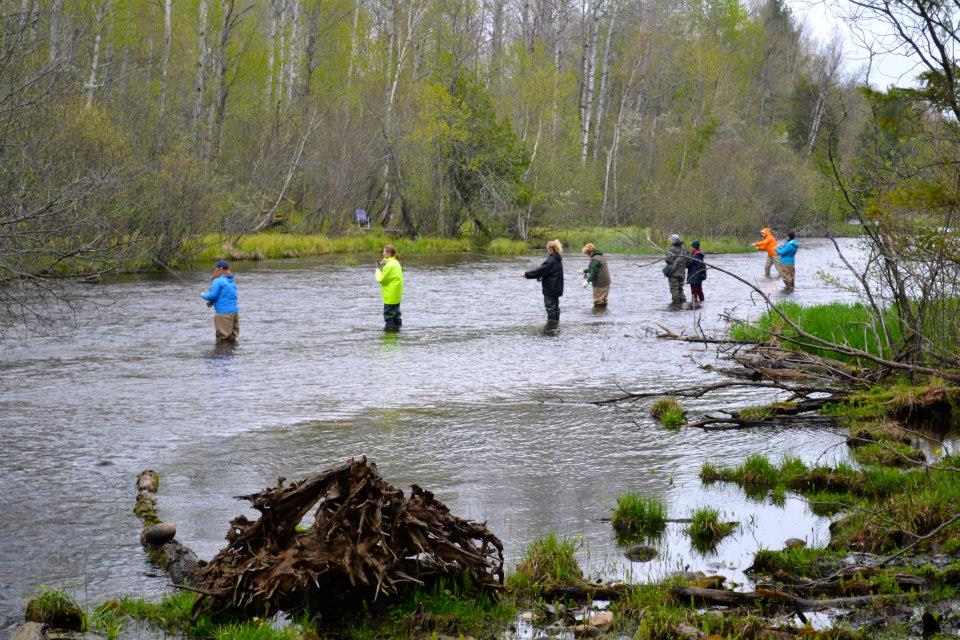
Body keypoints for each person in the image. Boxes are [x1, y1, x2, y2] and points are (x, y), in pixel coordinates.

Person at [523, 239, 564, 324]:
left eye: (547, 248)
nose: (546, 250)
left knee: (550, 307)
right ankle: (556, 324)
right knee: (555, 307)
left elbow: (540, 270)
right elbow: (547, 271)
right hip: (557, 287)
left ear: (550, 249)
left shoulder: (551, 260)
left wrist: (526, 274)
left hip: (550, 288)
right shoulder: (557, 258)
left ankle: (552, 325)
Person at [200, 259, 239, 343]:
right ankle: (232, 356)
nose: (215, 270)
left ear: (221, 269)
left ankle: (220, 356)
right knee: (231, 339)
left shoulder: (218, 280)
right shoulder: (231, 281)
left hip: (223, 314)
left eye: (216, 269)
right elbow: (224, 295)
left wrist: (203, 295)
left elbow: (213, 295)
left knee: (222, 339)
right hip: (234, 313)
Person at [375, 244, 404, 331]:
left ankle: (389, 337)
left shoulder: (389, 266)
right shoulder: (396, 262)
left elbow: (381, 279)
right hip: (396, 296)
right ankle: (398, 333)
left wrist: (377, 270)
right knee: (396, 316)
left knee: (389, 317)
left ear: (389, 253)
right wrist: (384, 262)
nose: (383, 253)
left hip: (390, 296)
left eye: (384, 252)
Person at [663, 234, 690, 309]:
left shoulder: (671, 249)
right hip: (682, 273)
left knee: (674, 288)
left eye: (671, 240)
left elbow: (668, 260)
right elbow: (689, 261)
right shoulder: (683, 249)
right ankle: (683, 302)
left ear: (674, 240)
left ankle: (675, 304)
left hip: (674, 273)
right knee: (680, 288)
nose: (670, 241)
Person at [581, 243, 611, 307]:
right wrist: (584, 271)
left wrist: (587, 282)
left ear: (590, 252)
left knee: (598, 301)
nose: (587, 255)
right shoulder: (601, 256)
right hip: (606, 282)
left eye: (587, 253)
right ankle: (604, 315)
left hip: (599, 283)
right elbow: (595, 268)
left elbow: (593, 273)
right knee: (603, 300)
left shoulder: (594, 259)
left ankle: (597, 315)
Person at [686, 240, 706, 306]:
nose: (690, 248)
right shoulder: (700, 254)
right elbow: (703, 266)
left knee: (694, 292)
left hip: (694, 277)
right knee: (699, 291)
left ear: (694, 247)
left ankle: (694, 306)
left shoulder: (694, 256)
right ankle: (702, 304)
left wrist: (687, 258)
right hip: (699, 276)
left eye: (691, 247)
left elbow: (687, 265)